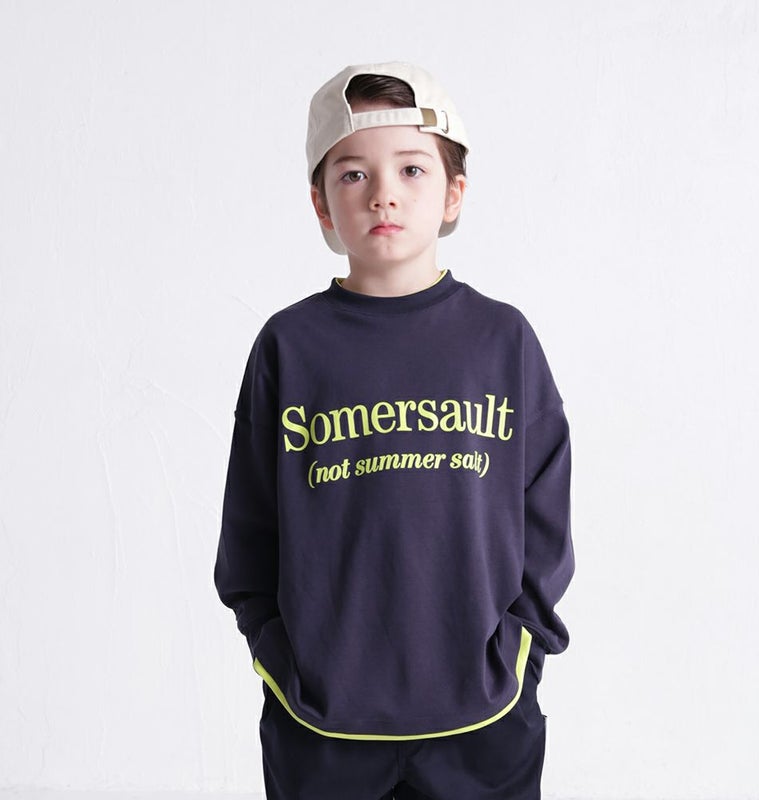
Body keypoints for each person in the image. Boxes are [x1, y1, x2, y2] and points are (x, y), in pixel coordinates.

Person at [214, 61, 574, 800]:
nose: (383, 193)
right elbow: (249, 528)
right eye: (353, 174)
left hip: (484, 719)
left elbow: (545, 512)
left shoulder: (501, 341)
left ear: (453, 194)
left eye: (412, 169)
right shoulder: (289, 347)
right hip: (320, 724)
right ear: (321, 204)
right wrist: (280, 658)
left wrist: (521, 654)